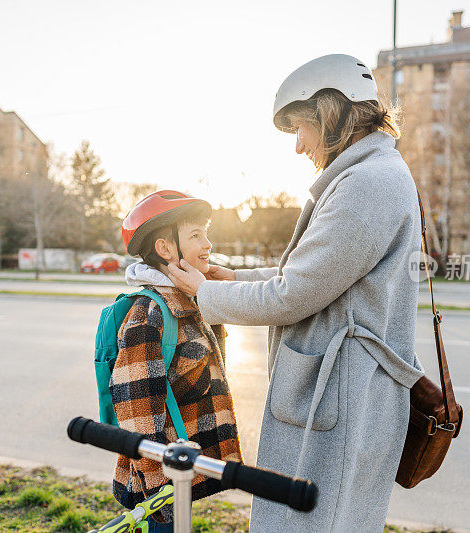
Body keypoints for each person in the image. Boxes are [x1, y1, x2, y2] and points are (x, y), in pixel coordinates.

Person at [167, 54, 425, 532]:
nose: (299, 145)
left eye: (301, 128)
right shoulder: (373, 173)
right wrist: (236, 279)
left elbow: (292, 296)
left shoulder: (366, 184)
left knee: (314, 524)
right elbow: (318, 274)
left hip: (342, 395)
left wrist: (205, 293)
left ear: (330, 115)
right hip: (349, 391)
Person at [110, 190, 243, 532]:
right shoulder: (149, 315)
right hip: (163, 482)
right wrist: (161, 493)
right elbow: (137, 414)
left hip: (184, 470)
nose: (208, 243)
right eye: (196, 235)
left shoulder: (194, 300)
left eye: (206, 233)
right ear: (166, 249)